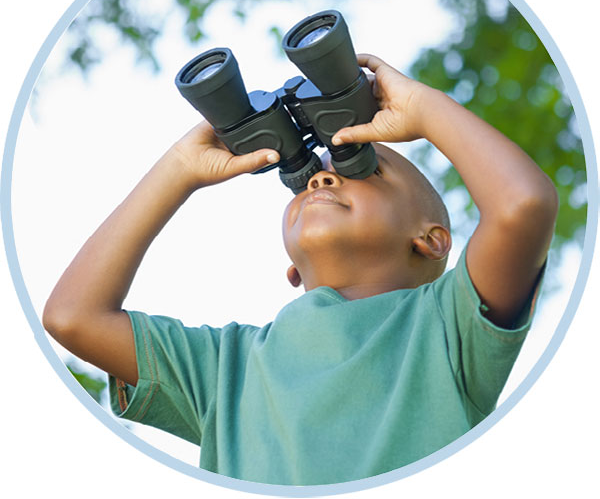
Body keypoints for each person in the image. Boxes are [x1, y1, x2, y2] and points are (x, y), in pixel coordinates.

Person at [42, 53, 558, 485]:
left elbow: (523, 205)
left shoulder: (449, 324)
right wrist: (180, 167)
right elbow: (71, 315)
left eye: (361, 166)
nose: (319, 181)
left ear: (431, 240)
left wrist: (420, 108)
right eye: (303, 179)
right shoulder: (228, 366)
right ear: (292, 269)